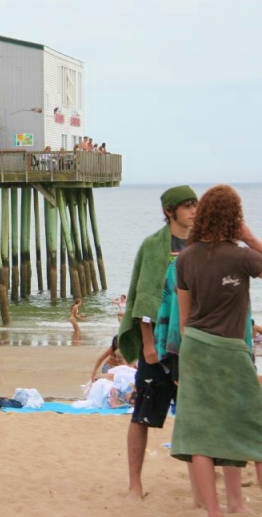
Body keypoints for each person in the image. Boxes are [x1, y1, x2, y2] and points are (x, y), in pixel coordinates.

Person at [170, 185, 262, 516]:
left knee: (201, 431)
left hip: (194, 345)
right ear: (234, 217)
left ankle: (215, 511)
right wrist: (250, 238)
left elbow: (183, 319)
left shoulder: (186, 258)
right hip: (230, 348)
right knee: (250, 424)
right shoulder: (242, 255)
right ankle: (240, 504)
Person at [117, 184, 197, 502]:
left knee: (193, 417)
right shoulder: (154, 246)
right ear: (169, 211)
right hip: (160, 344)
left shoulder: (203, 244)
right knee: (142, 415)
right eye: (187, 205)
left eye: (196, 204)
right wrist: (148, 345)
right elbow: (145, 296)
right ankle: (134, 484)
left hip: (193, 345)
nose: (194, 210)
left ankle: (198, 487)